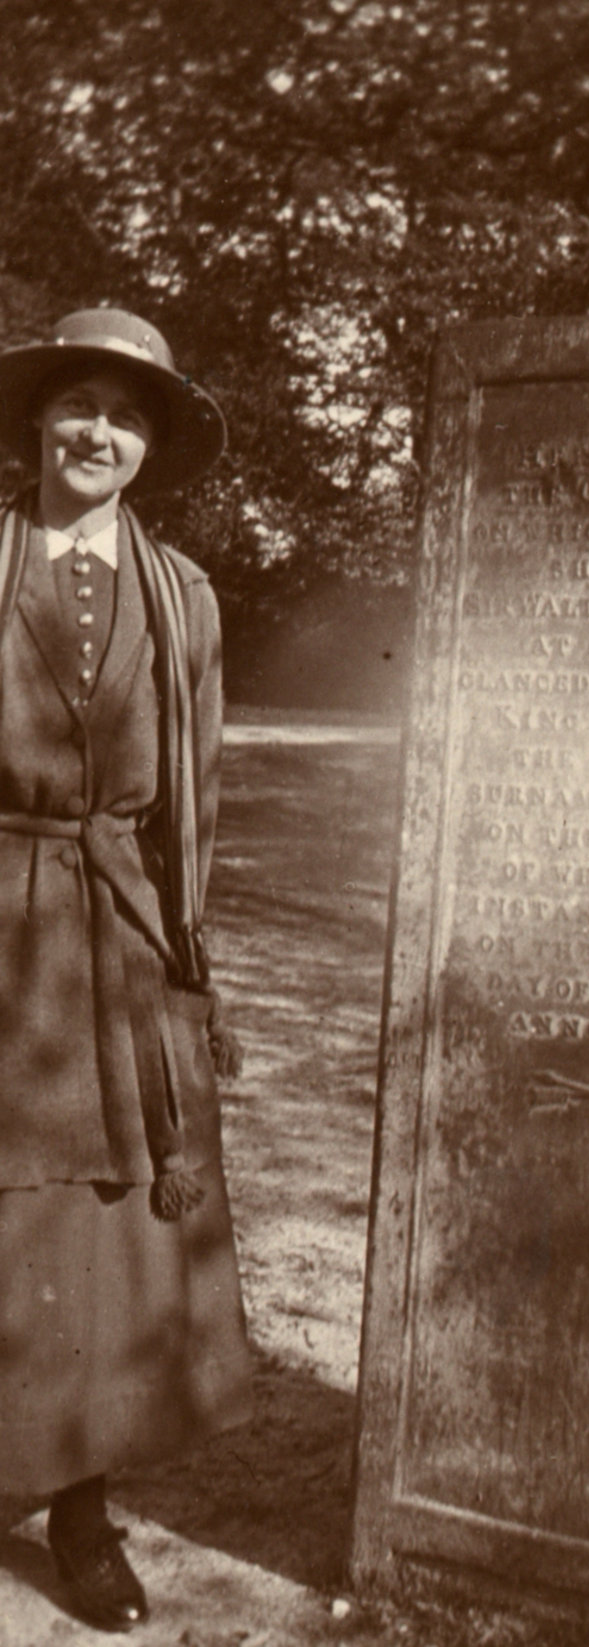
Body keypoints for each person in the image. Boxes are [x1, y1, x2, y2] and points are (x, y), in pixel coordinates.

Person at [0, 308, 252, 1631]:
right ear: (39, 423)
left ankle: (82, 1513)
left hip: (121, 931)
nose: (101, 431)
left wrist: (183, 963)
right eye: (80, 404)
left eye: (130, 415)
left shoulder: (187, 600)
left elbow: (192, 797)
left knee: (103, 1238)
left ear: (148, 448)